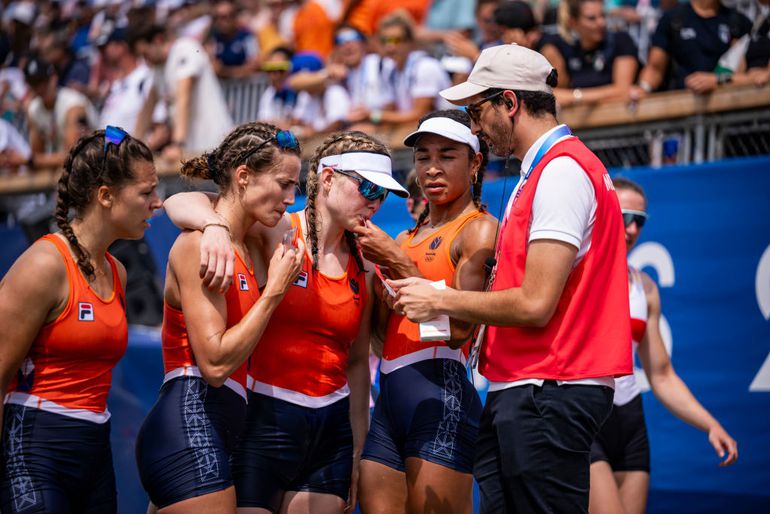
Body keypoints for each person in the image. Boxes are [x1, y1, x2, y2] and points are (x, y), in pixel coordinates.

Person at [390, 44, 632, 513]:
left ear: (510, 102)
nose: (475, 126)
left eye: (477, 111)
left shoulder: (561, 170)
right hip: (532, 386)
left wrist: (440, 301)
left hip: (548, 386)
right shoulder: (548, 167)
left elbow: (535, 303)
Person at [163, 130, 409, 514]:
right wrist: (213, 227)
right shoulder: (277, 229)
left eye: (383, 195)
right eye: (368, 189)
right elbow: (180, 201)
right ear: (327, 179)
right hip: (264, 418)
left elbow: (358, 361)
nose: (375, 203)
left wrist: (359, 445)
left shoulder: (366, 262)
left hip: (331, 429)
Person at [134, 122, 305, 513]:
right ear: (243, 176)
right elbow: (214, 364)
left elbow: (188, 201)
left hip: (214, 431)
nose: (291, 199)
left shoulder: (252, 241)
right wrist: (274, 290)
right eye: (283, 184)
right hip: (191, 421)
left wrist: (214, 221)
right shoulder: (201, 247)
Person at [0, 126, 162, 512]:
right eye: (145, 193)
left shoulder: (117, 272)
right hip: (35, 452)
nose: (157, 203)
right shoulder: (44, 265)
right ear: (105, 196)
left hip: (95, 454)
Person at [354, 109, 498, 514]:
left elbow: (459, 330)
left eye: (447, 156)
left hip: (442, 398)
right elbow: (383, 339)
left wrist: (397, 264)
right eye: (423, 157)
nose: (432, 168)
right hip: (389, 401)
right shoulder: (404, 236)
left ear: (474, 163)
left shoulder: (479, 229)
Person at [588, 177, 738, 514]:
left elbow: (662, 375)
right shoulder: (575, 277)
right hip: (584, 414)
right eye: (624, 216)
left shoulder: (646, 288)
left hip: (629, 421)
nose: (630, 229)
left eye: (639, 220)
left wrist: (710, 424)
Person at [133, 23, 233, 159]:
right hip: (193, 149)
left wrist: (177, 144)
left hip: (214, 143)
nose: (145, 61)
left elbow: (183, 96)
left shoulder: (185, 48)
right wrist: (131, 147)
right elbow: (146, 110)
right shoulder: (158, 70)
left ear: (157, 40)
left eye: (145, 54)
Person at [347, 12, 451, 128]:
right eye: (385, 41)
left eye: (396, 40)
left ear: (410, 42)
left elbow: (419, 115)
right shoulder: (390, 70)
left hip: (440, 132)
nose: (389, 47)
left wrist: (373, 115)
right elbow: (391, 111)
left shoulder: (425, 67)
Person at [631, 0, 751, 96]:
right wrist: (643, 88)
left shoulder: (738, 22)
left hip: (725, 106)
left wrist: (715, 80)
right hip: (681, 105)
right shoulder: (673, 20)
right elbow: (655, 68)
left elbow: (746, 73)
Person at [540, 0, 639, 107]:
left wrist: (575, 97)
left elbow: (623, 90)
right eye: (592, 18)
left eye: (602, 15)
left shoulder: (621, 40)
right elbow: (554, 95)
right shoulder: (563, 49)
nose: (601, 23)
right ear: (572, 22)